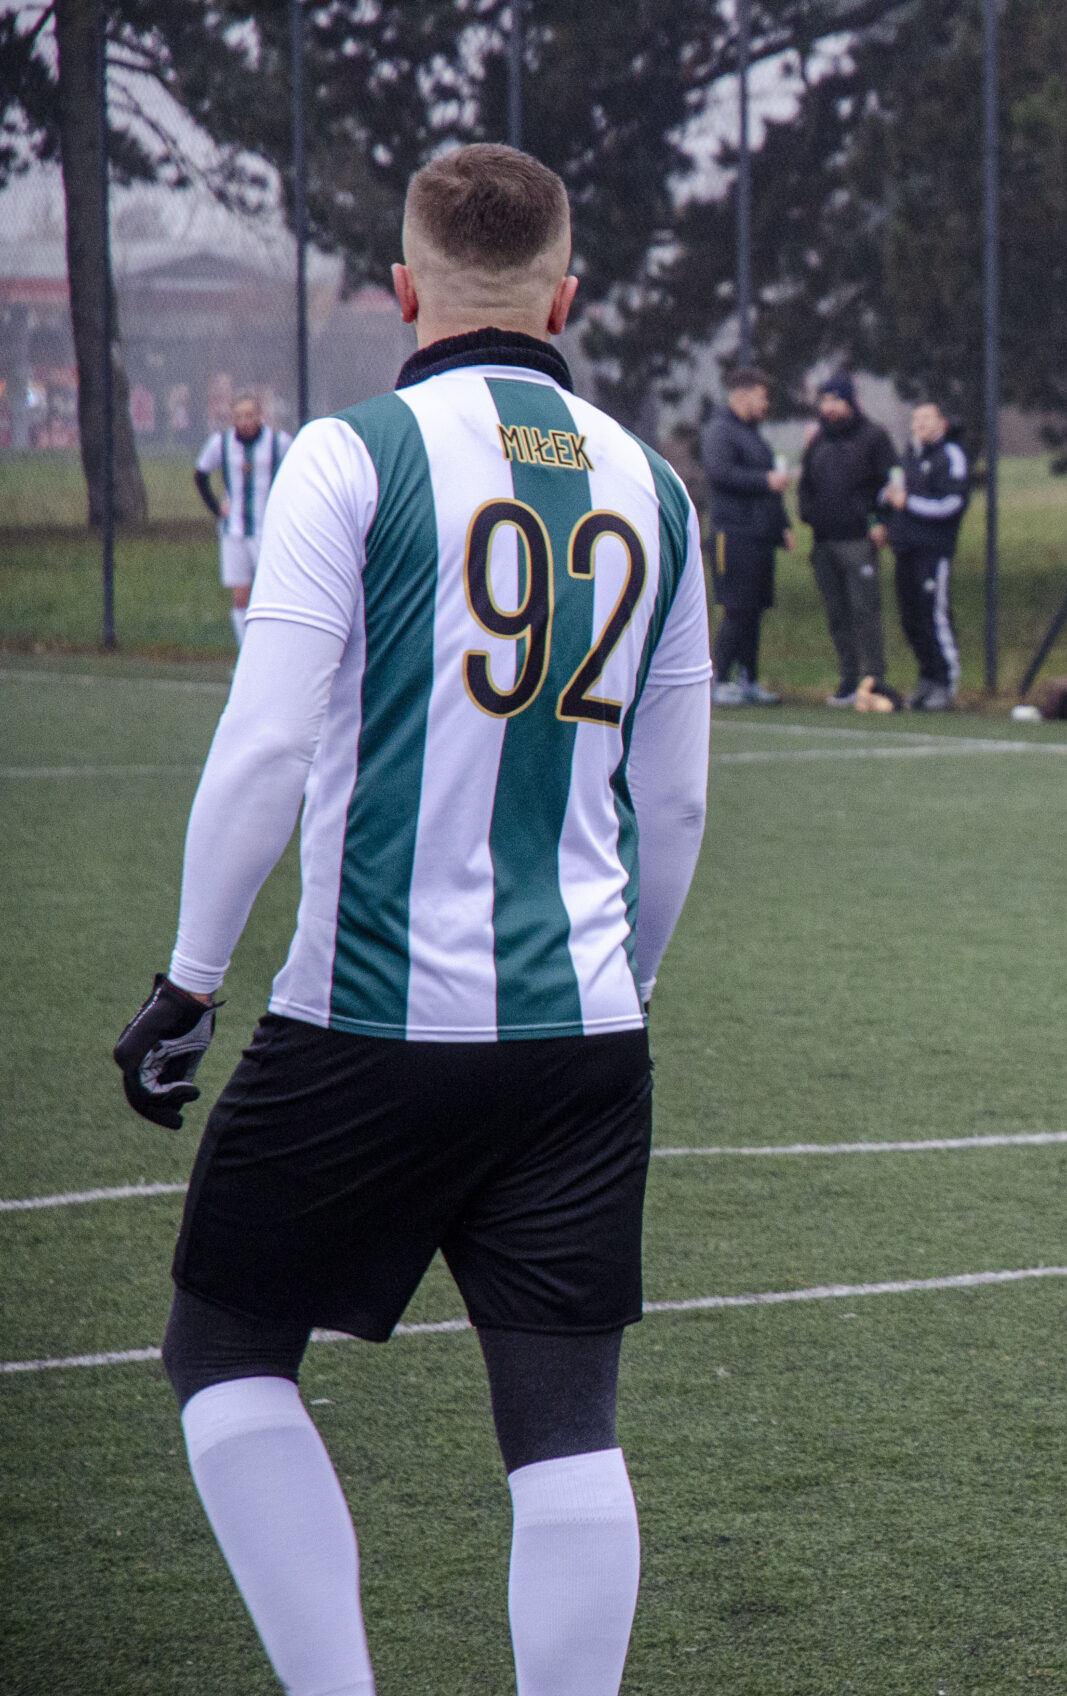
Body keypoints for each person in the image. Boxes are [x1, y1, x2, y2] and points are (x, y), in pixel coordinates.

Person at [110, 143, 712, 1696]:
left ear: (402, 290)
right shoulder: (656, 487)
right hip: (583, 1034)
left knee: (223, 1350)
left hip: (366, 1020)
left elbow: (266, 746)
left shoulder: (349, 456)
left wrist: (189, 981)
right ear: (565, 297)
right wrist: (623, 987)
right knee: (566, 1431)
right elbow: (677, 805)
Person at [799, 374, 900, 708]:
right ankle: (849, 681)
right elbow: (806, 486)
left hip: (858, 540)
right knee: (837, 616)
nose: (829, 408)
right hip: (824, 542)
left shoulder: (873, 437)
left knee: (864, 612)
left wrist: (882, 521)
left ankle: (874, 682)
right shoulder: (817, 442)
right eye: (825, 401)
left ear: (850, 402)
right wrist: (810, 515)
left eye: (836, 400)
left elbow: (891, 481)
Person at [703, 367, 792, 706]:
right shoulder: (719, 431)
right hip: (733, 534)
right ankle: (719, 680)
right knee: (736, 608)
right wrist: (764, 481)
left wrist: (782, 525)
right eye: (761, 397)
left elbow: (770, 485)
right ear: (742, 395)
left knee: (754, 610)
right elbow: (721, 472)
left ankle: (748, 679)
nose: (765, 404)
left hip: (759, 536)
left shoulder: (753, 436)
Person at [883, 400, 970, 711]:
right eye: (916, 418)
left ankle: (946, 682)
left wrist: (909, 503)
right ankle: (927, 676)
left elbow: (952, 503)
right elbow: (893, 494)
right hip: (905, 548)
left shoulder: (950, 455)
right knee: (911, 617)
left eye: (927, 418)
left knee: (934, 614)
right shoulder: (909, 456)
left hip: (932, 550)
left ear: (942, 424)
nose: (919, 424)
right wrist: (887, 506)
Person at [194, 392, 293, 646]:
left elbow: (298, 472)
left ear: (260, 416)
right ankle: (246, 651)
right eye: (239, 416)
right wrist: (217, 508)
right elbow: (200, 474)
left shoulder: (279, 442)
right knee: (240, 595)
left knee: (271, 592)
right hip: (234, 531)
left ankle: (273, 647)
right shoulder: (221, 444)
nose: (245, 421)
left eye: (250, 415)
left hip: (267, 531)